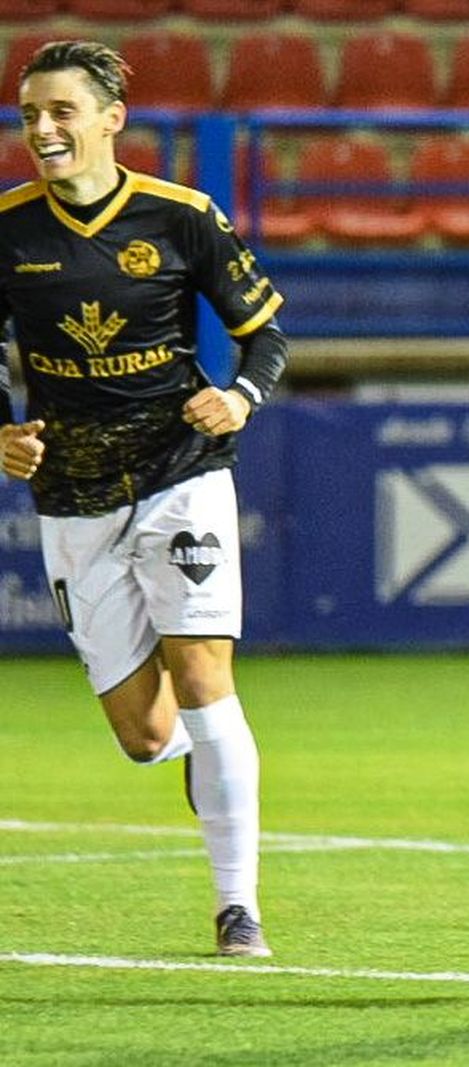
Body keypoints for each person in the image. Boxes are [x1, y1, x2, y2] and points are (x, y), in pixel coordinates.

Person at [0, 41, 288, 954]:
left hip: (181, 473)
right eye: (29, 113)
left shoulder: (181, 216)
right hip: (71, 493)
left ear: (110, 120)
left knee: (206, 681)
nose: (43, 129)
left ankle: (237, 905)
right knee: (143, 733)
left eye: (61, 112)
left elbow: (265, 336)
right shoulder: (7, 229)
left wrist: (237, 396)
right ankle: (203, 758)